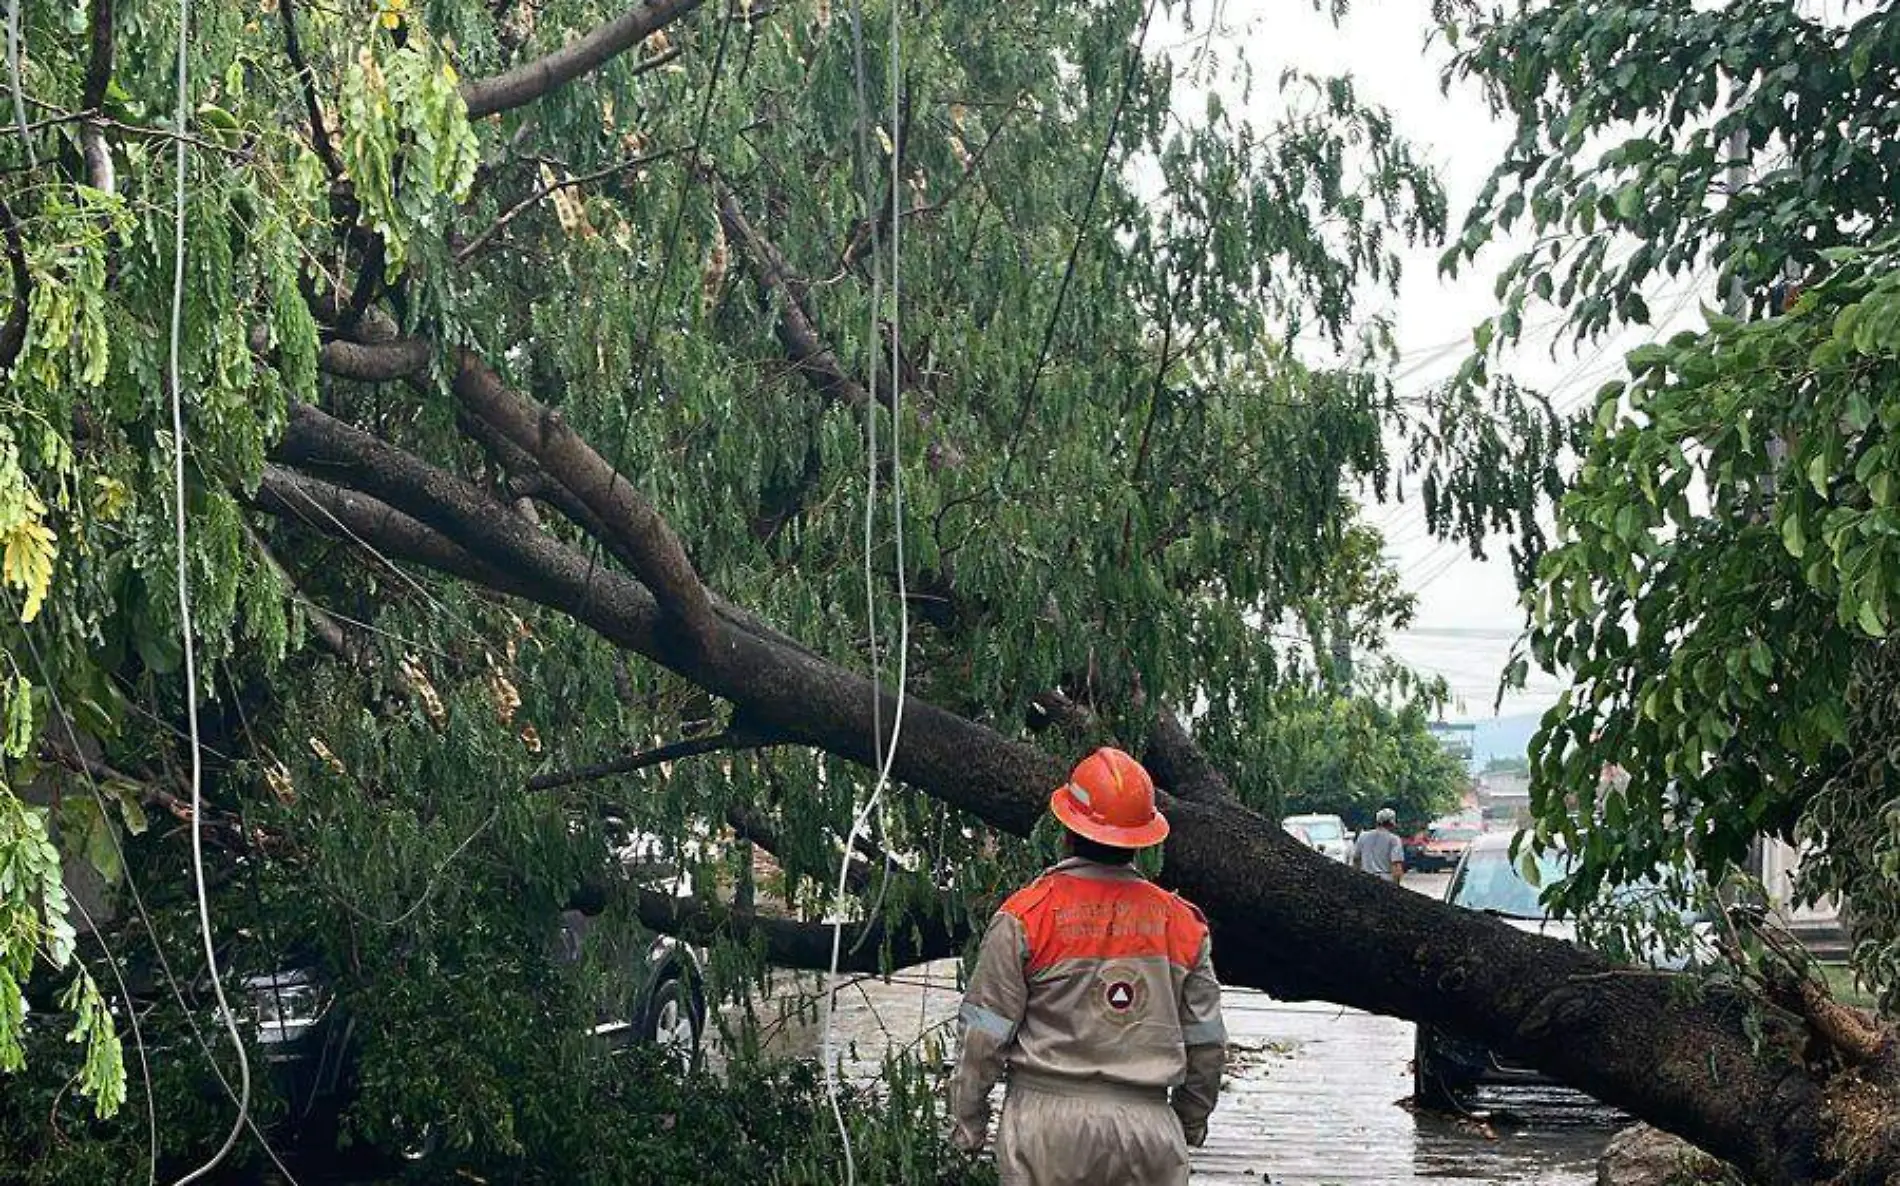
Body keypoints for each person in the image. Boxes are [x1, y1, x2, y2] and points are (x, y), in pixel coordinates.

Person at [948, 746, 1226, 1186]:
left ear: (1066, 831)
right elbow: (1207, 1044)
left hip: (1048, 1127)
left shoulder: (1026, 916)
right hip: (1149, 1128)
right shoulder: (1183, 924)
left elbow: (983, 1033)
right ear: (1143, 838)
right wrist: (1189, 1121)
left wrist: (969, 1122)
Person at [1351, 806, 1406, 885]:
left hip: (1366, 880)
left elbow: (1356, 859)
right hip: (1386, 881)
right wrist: (1396, 886)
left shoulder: (1363, 836)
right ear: (1392, 823)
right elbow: (1396, 866)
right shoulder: (1394, 839)